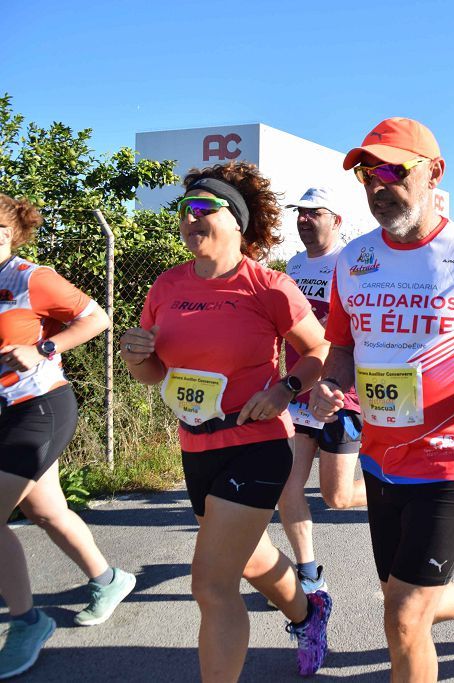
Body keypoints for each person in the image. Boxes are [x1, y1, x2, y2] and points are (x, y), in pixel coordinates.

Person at [309, 117, 454, 680]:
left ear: (434, 173)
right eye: (367, 172)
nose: (377, 184)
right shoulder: (354, 260)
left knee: (405, 615)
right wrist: (328, 384)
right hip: (381, 458)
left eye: (393, 169)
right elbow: (341, 349)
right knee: (405, 597)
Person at [120, 162, 333, 680]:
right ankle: (309, 611)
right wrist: (134, 356)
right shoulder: (166, 286)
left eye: (203, 209)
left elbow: (319, 351)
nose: (190, 219)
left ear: (236, 222)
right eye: (184, 211)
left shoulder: (268, 286)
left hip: (256, 443)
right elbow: (152, 373)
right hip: (195, 445)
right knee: (252, 559)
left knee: (211, 585)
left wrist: (284, 390)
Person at [0, 194, 135, 678]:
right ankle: (109, 578)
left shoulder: (29, 276)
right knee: (45, 510)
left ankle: (26, 620)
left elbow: (96, 317)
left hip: (39, 407)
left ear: (11, 232)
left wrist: (43, 348)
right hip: (4, 412)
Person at [276, 187, 365, 599]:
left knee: (338, 496)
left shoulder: (352, 263)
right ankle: (308, 571)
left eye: (315, 213)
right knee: (287, 487)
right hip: (297, 390)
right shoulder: (293, 265)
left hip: (339, 394)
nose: (304, 220)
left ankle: (398, 494)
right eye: (300, 213)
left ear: (337, 221)